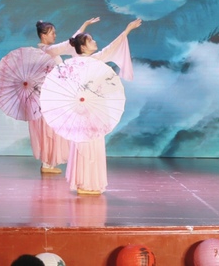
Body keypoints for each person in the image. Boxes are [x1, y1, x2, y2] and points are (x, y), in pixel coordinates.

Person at [65, 18, 142, 194]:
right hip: (89, 109)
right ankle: (87, 183)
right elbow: (112, 48)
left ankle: (84, 182)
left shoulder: (76, 63)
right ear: (83, 47)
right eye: (90, 40)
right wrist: (127, 30)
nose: (94, 42)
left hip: (85, 107)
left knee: (86, 143)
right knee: (90, 144)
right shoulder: (91, 61)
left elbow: (110, 49)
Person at [32, 17, 99, 174]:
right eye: (52, 33)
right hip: (48, 98)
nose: (55, 35)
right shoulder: (46, 50)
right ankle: (47, 164)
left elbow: (69, 44)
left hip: (51, 96)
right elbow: (69, 43)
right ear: (43, 35)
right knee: (49, 131)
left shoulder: (49, 50)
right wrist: (84, 25)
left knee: (52, 130)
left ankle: (48, 163)